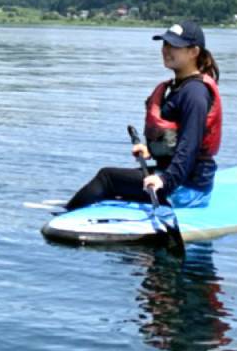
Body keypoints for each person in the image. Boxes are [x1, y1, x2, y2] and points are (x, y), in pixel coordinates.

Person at [64, 19, 223, 211]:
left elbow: (189, 147)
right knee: (115, 184)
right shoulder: (179, 87)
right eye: (165, 44)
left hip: (186, 189)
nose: (166, 50)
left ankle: (64, 213)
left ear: (194, 52)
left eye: (175, 46)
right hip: (175, 177)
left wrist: (164, 180)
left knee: (107, 178)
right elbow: (175, 139)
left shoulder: (195, 93)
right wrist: (151, 150)